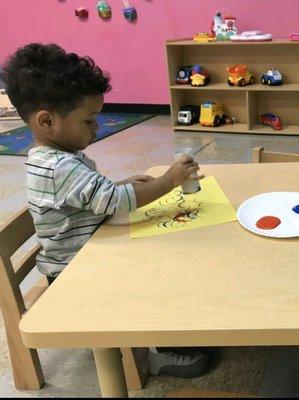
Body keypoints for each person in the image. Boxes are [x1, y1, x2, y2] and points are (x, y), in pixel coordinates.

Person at [1, 43, 211, 379]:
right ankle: (158, 354)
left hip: (86, 254)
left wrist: (121, 183)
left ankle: (170, 333)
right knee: (155, 273)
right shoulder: (57, 166)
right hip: (75, 275)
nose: (96, 129)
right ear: (47, 121)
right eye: (88, 120)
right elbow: (116, 201)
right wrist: (169, 181)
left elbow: (93, 195)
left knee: (161, 247)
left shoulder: (59, 157)